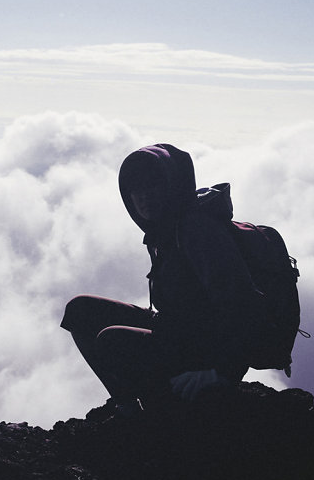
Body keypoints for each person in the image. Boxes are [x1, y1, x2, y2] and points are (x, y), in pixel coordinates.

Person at [61, 143, 264, 413]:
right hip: (177, 332)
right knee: (80, 310)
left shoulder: (197, 230)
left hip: (204, 351)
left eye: (152, 187)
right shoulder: (166, 230)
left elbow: (242, 302)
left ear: (171, 187)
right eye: (136, 189)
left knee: (112, 341)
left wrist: (221, 372)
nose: (143, 197)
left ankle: (163, 412)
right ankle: (129, 406)